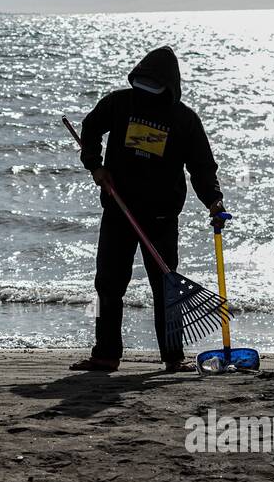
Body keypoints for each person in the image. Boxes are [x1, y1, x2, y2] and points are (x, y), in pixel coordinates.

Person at [70, 46, 225, 373]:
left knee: (166, 287)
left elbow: (202, 167)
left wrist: (214, 201)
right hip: (119, 210)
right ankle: (105, 354)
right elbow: (90, 128)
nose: (145, 96)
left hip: (161, 217)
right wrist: (94, 166)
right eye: (142, 87)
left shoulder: (184, 120)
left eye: (153, 90)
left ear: (169, 88)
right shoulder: (119, 102)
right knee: (107, 285)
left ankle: (173, 357)